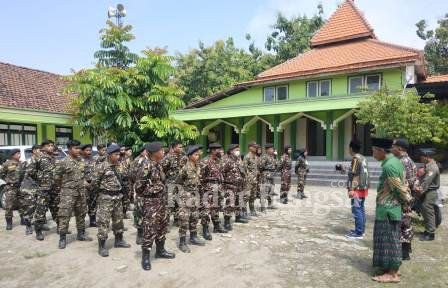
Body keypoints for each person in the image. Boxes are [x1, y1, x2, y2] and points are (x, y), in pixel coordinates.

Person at [371, 138, 410, 283]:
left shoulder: (390, 166)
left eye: (374, 150)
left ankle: (393, 273)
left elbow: (400, 189)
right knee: (385, 240)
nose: (372, 153)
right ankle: (388, 268)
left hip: (389, 209)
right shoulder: (393, 162)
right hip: (387, 208)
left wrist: (406, 203)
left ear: (381, 150)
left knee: (390, 241)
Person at [135, 141, 175, 271]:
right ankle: (145, 257)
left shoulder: (158, 165)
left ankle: (160, 250)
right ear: (154, 153)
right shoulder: (146, 166)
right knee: (150, 228)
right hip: (151, 203)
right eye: (161, 150)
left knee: (162, 227)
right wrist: (154, 191)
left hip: (161, 201)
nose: (163, 152)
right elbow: (139, 187)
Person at [92, 144, 131, 257]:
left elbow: (125, 177)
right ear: (109, 155)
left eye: (119, 154)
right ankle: (102, 246)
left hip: (118, 197)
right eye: (116, 154)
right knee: (103, 222)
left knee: (118, 220)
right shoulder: (102, 166)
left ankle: (119, 241)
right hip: (105, 198)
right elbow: (95, 182)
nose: (118, 156)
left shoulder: (119, 165)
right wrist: (102, 192)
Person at [55, 140, 93, 249]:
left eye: (78, 148)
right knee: (64, 215)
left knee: (81, 214)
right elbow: (56, 178)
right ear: (69, 149)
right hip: (68, 193)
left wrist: (86, 181)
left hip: (81, 192)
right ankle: (62, 238)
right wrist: (66, 186)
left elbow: (85, 173)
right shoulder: (63, 162)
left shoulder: (81, 160)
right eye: (75, 148)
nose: (78, 150)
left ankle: (81, 234)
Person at [176, 145, 206, 253]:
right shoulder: (185, 168)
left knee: (194, 217)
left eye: (198, 154)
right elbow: (178, 181)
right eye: (195, 154)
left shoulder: (197, 166)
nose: (198, 156)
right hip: (186, 196)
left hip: (195, 195)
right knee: (184, 219)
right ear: (189, 156)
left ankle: (193, 237)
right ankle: (182, 242)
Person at [391, 139, 417, 259]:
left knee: (402, 222)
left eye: (394, 147)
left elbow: (403, 182)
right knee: (405, 222)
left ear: (400, 149)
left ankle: (403, 252)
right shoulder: (407, 160)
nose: (392, 149)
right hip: (406, 195)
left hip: (402, 197)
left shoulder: (403, 162)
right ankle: (406, 250)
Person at [199, 143, 227, 240]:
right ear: (212, 151)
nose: (220, 151)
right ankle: (205, 229)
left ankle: (217, 226)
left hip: (218, 187)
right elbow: (200, 177)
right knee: (206, 210)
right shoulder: (205, 161)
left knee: (216, 208)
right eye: (218, 150)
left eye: (220, 149)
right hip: (208, 188)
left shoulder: (218, 161)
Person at [32, 140, 58, 240]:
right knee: (40, 211)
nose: (51, 147)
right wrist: (41, 180)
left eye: (52, 145)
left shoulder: (55, 159)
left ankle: (60, 228)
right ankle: (38, 231)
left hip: (55, 189)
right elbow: (31, 172)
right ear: (43, 148)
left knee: (57, 210)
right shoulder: (39, 159)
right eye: (48, 146)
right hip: (43, 190)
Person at [346, 140, 369, 240]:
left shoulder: (355, 159)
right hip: (364, 187)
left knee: (356, 209)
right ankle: (361, 230)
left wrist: (351, 189)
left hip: (357, 188)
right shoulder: (363, 158)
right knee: (361, 208)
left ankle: (358, 232)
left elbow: (355, 174)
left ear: (351, 148)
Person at [416, 148, 440, 241]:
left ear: (427, 157)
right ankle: (427, 230)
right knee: (424, 209)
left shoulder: (432, 167)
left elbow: (427, 181)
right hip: (427, 191)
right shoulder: (428, 165)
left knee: (428, 209)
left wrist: (420, 189)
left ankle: (431, 233)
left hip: (431, 191)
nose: (420, 158)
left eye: (422, 156)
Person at [222, 144, 248, 229]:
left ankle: (238, 217)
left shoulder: (237, 160)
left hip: (239, 185)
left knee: (238, 202)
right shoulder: (226, 160)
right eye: (236, 149)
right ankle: (226, 221)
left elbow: (242, 171)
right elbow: (222, 173)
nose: (238, 151)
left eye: (239, 149)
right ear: (231, 151)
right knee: (230, 204)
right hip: (230, 185)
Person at [162, 141, 185, 227]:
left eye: (181, 147)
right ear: (174, 148)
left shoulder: (182, 157)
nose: (181, 148)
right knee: (169, 204)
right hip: (171, 183)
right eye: (179, 147)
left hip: (180, 184)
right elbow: (162, 169)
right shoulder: (168, 158)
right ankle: (166, 224)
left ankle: (176, 220)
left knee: (178, 203)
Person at [19, 144, 41, 235]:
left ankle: (39, 225)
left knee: (39, 208)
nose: (41, 152)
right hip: (29, 189)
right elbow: (20, 174)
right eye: (39, 150)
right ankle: (28, 227)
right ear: (34, 151)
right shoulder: (28, 161)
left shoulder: (42, 161)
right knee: (29, 208)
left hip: (39, 188)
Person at [130, 145, 149, 245]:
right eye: (146, 151)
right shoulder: (138, 160)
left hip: (148, 190)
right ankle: (139, 234)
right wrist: (138, 183)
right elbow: (132, 174)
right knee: (139, 211)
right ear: (142, 152)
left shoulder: (149, 160)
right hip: (140, 189)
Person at [0, 149, 22, 230]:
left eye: (19, 153)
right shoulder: (7, 164)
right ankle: (9, 223)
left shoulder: (21, 163)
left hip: (20, 187)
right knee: (9, 206)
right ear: (13, 155)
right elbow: (1, 174)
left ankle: (23, 219)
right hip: (10, 187)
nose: (19, 155)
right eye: (17, 154)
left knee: (21, 204)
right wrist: (8, 181)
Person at [81, 144, 97, 227]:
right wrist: (83, 181)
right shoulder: (80, 160)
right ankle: (81, 223)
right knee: (83, 204)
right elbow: (78, 173)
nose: (89, 152)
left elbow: (96, 171)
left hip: (93, 184)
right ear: (83, 151)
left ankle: (93, 221)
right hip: (84, 185)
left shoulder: (94, 160)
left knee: (93, 203)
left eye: (90, 150)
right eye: (87, 150)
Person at [258, 144, 278, 211]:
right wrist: (264, 173)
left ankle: (270, 204)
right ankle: (262, 206)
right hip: (265, 176)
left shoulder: (273, 157)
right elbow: (260, 166)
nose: (272, 150)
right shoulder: (264, 156)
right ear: (267, 149)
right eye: (271, 149)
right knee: (264, 190)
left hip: (272, 176)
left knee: (271, 190)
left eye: (273, 149)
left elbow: (276, 165)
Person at [243, 142, 259, 216]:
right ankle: (244, 211)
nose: (256, 148)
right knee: (247, 195)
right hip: (249, 180)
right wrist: (248, 177)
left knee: (253, 195)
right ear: (250, 147)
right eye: (254, 147)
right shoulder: (247, 156)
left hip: (255, 179)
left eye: (256, 147)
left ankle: (252, 209)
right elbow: (244, 168)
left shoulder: (255, 156)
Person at [118, 146, 132, 218]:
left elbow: (130, 168)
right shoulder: (117, 159)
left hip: (126, 180)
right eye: (121, 149)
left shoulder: (127, 159)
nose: (123, 151)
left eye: (124, 149)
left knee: (126, 197)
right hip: (118, 181)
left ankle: (124, 212)